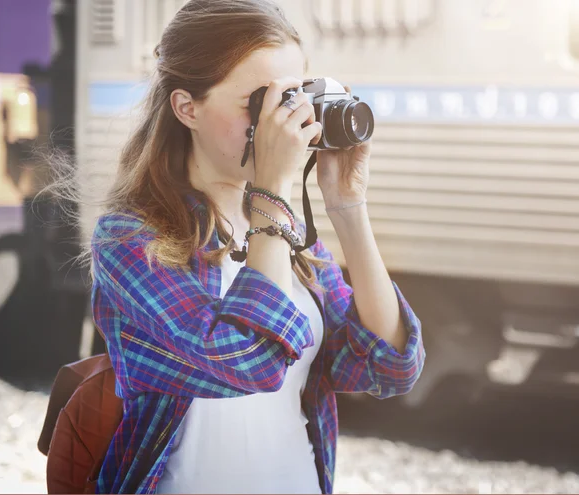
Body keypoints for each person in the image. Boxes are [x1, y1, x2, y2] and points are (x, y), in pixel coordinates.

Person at [89, 0, 425, 493]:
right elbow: (250, 363)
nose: (283, 121)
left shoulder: (286, 236)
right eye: (261, 101)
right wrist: (272, 194)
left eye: (293, 95)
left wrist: (348, 207)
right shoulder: (132, 240)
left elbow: (388, 366)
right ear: (188, 108)